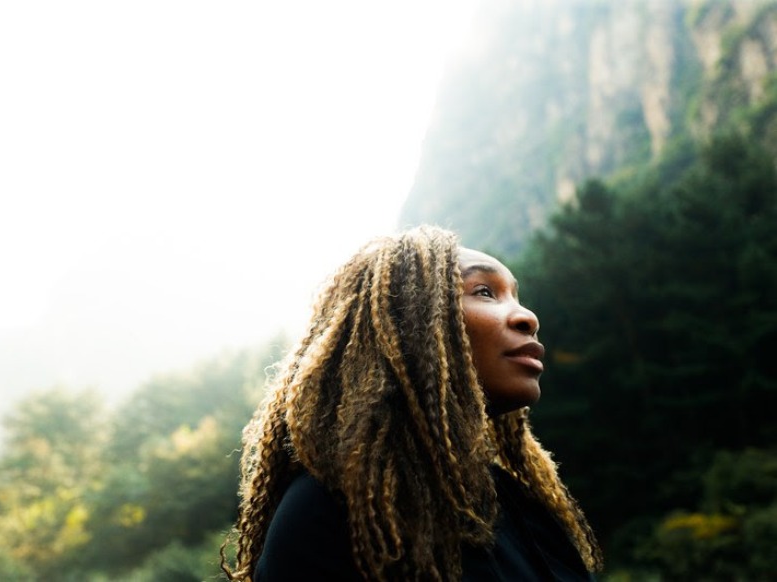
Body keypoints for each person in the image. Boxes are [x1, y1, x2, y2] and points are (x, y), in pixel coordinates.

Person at [222, 226, 602, 581]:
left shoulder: (520, 504)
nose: (527, 317)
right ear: (407, 327)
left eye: (516, 296)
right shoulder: (327, 512)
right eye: (485, 292)